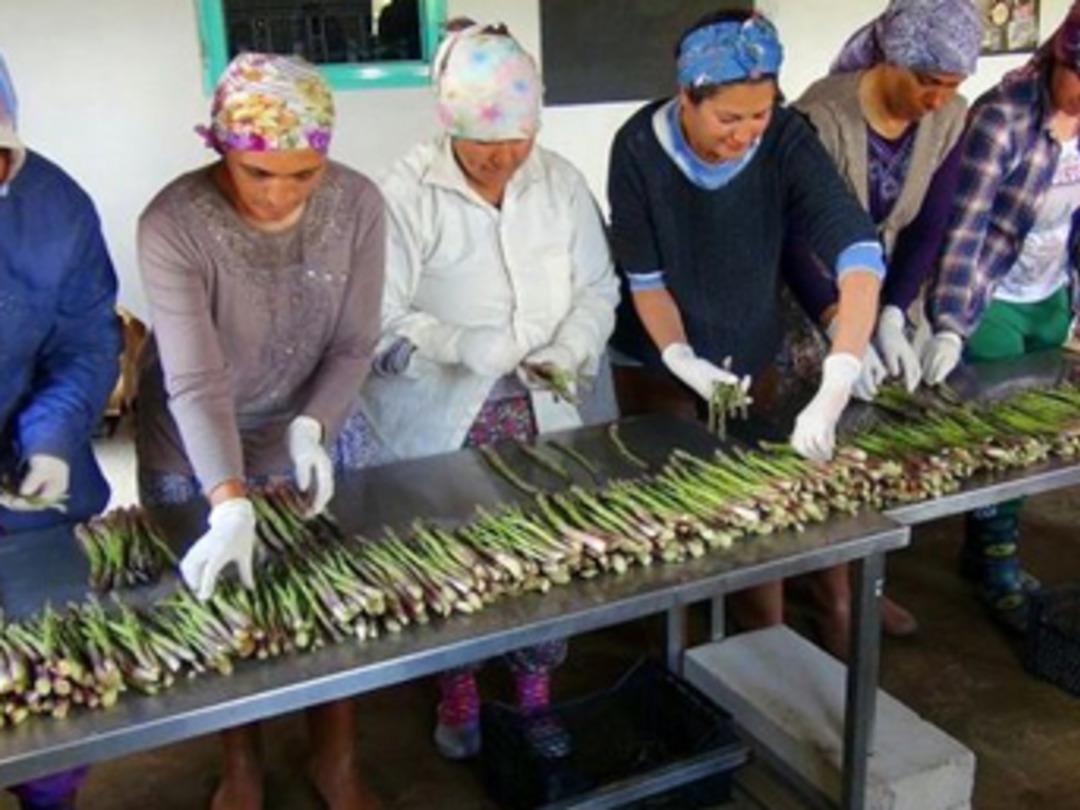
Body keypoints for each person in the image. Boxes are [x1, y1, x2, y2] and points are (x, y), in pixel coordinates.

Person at [359, 21, 619, 759]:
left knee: (547, 551)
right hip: (444, 419)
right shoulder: (406, 194)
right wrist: (456, 343)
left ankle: (535, 694)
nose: (504, 159)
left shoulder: (559, 182)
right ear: (448, 123)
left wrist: (569, 347)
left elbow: (597, 286)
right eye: (484, 146)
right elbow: (375, 319)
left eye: (519, 142)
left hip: (544, 407)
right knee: (456, 558)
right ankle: (459, 687)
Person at [135, 53, 385, 809]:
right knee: (227, 605)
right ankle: (242, 763)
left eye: (302, 174)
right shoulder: (174, 223)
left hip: (315, 422)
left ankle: (333, 759)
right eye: (257, 174)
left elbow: (353, 344)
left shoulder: (359, 204)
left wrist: (315, 426)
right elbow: (194, 380)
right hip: (196, 438)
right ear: (221, 149)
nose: (279, 195)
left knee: (332, 599)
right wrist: (230, 500)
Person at [607, 9, 885, 630]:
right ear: (687, 96)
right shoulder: (635, 148)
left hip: (749, 350)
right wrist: (683, 361)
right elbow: (647, 283)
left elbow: (855, 245)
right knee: (680, 527)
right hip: (654, 361)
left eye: (757, 114)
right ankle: (682, 656)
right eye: (728, 118)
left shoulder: (786, 138)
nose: (745, 134)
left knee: (756, 522)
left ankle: (760, 654)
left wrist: (840, 373)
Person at [781, 0, 983, 657]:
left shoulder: (949, 116)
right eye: (928, 81)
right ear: (892, 58)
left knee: (875, 450)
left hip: (884, 288)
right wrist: (842, 324)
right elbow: (793, 234)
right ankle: (828, 593)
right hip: (810, 297)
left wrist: (894, 314)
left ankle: (863, 579)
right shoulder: (823, 113)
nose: (938, 98)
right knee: (819, 451)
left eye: (952, 85)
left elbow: (930, 223)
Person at [921, 3, 1080, 632]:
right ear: (1057, 60)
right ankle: (998, 564)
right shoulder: (1002, 117)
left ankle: (980, 546)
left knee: (1041, 431)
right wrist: (950, 323)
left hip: (1050, 290)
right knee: (1003, 437)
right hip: (993, 292)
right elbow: (964, 227)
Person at [0, 53, 121, 810]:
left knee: (48, 690)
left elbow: (83, 340)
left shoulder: (56, 207)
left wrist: (48, 440)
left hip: (25, 504)